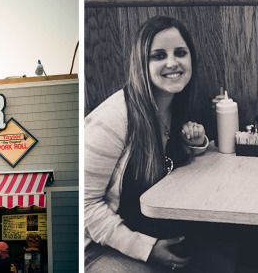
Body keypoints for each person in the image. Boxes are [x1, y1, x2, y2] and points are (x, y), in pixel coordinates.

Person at [85, 15, 213, 272]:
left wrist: (195, 144)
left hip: (159, 232)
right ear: (141, 63)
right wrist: (147, 248)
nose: (172, 63)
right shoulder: (114, 118)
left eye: (180, 52)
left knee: (226, 256)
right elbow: (85, 207)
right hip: (102, 247)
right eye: (158, 56)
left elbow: (161, 166)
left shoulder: (173, 105)